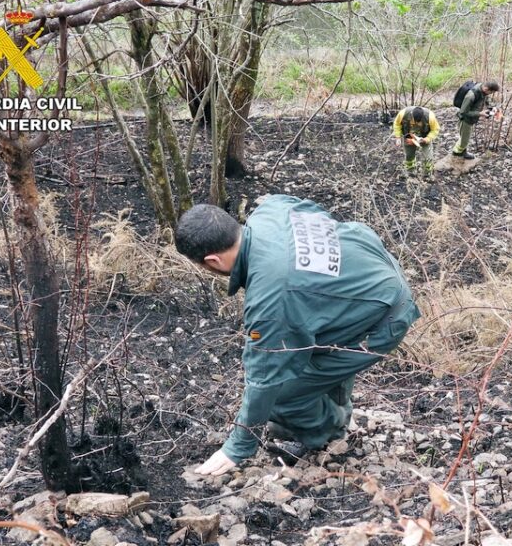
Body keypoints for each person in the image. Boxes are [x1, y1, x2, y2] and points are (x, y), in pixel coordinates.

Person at [174, 195, 421, 476]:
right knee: (308, 347)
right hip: (371, 271)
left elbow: (266, 378)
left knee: (282, 396)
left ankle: (329, 433)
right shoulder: (271, 209)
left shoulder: (273, 299)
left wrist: (238, 446)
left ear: (213, 260)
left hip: (384, 316)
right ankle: (333, 410)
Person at [452, 80, 500, 159]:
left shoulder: (482, 89)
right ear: (486, 89)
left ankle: (462, 151)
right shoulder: (471, 96)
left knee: (465, 137)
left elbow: (486, 98)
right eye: (491, 92)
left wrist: (492, 106)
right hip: (465, 120)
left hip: (471, 119)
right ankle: (457, 153)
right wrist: (480, 113)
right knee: (464, 140)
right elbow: (463, 112)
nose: (490, 94)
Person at [392, 105, 440, 178]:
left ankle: (427, 174)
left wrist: (426, 139)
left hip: (424, 137)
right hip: (408, 136)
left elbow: (435, 130)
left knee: (427, 157)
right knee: (409, 156)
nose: (417, 123)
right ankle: (411, 171)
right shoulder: (403, 114)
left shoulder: (430, 117)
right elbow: (397, 124)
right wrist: (398, 137)